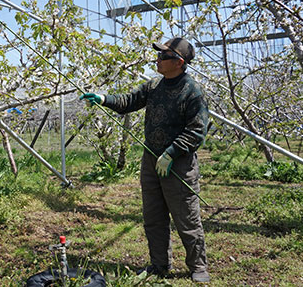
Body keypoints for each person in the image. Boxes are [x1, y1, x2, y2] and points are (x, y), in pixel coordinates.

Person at [80, 37, 210, 283]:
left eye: (164, 56)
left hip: (177, 164)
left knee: (186, 218)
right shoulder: (154, 86)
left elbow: (197, 130)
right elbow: (129, 101)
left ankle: (198, 266)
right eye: (159, 55)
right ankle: (159, 265)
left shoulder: (192, 91)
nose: (158, 60)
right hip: (151, 161)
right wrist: (104, 98)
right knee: (154, 216)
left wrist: (172, 152)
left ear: (179, 62)